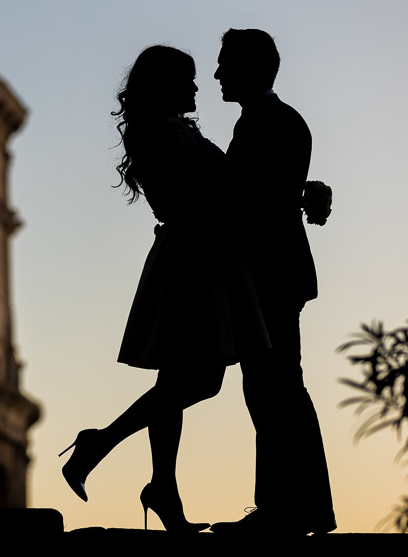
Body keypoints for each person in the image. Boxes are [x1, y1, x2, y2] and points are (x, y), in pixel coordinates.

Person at [60, 45, 268, 531]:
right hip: (197, 257)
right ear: (166, 86)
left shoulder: (153, 133)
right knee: (199, 380)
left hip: (187, 253)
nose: (197, 89)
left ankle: (161, 485)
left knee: (177, 380)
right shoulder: (169, 134)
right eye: (188, 80)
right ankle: (108, 447)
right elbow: (217, 192)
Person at [208, 29, 336, 535]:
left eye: (224, 64)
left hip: (269, 276)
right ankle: (295, 508)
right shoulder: (272, 121)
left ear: (249, 68)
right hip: (273, 274)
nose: (217, 75)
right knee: (275, 389)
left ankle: (286, 510)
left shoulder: (271, 123)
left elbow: (255, 200)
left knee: (274, 389)